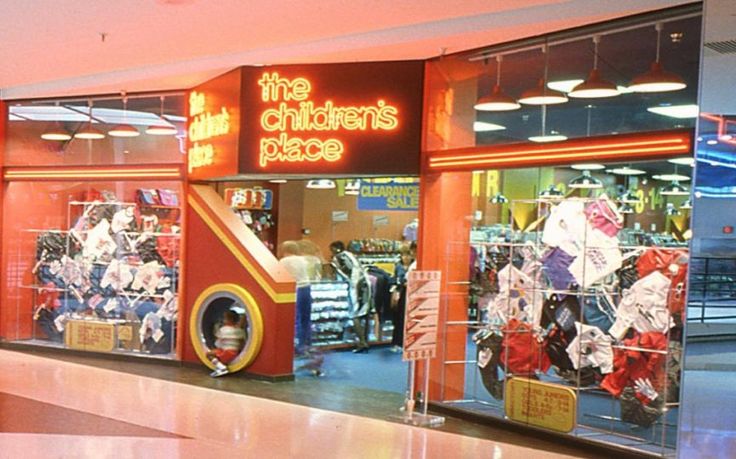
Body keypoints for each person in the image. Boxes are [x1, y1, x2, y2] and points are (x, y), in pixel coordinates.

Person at [330, 240, 373, 353]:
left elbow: (340, 275)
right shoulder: (351, 255)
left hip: (355, 288)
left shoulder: (338, 258)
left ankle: (362, 342)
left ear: (335, 249)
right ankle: (365, 341)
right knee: (364, 313)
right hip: (365, 285)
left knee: (355, 315)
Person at [279, 240, 312, 355]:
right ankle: (306, 344)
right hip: (306, 288)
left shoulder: (283, 261)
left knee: (295, 318)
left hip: (294, 289)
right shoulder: (303, 260)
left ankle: (296, 346)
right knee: (305, 318)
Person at [206, 309, 246, 377]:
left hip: (226, 352)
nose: (223, 320)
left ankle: (222, 368)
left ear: (229, 320)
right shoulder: (240, 330)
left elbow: (217, 343)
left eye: (224, 318)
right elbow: (242, 343)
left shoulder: (223, 330)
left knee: (209, 354)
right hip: (235, 352)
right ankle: (222, 366)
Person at [390, 246, 414, 353]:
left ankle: (406, 342)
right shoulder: (398, 266)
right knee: (399, 319)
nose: (405, 257)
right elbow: (397, 281)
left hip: (411, 294)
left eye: (407, 255)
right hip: (401, 294)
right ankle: (397, 343)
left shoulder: (414, 265)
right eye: (403, 255)